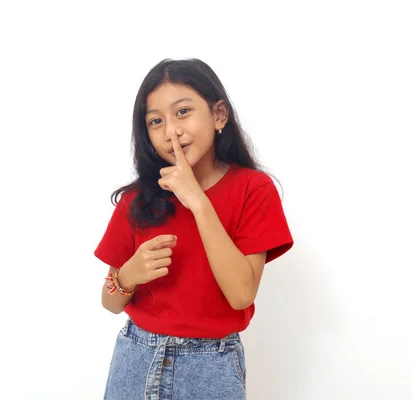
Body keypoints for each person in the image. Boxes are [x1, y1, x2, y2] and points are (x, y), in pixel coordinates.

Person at [94, 58, 294, 400]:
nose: (171, 130)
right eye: (156, 121)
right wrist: (129, 275)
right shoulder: (137, 200)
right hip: (135, 359)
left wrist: (198, 201)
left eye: (183, 112)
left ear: (219, 115)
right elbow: (110, 302)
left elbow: (241, 293)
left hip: (211, 367)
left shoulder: (253, 189)